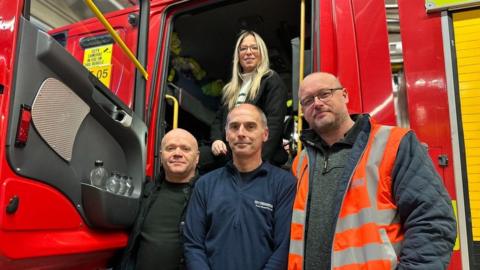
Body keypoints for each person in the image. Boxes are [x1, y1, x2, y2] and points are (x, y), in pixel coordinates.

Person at [288, 72, 457, 270]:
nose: (316, 103)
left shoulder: (394, 143)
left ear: (344, 95)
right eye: (307, 100)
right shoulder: (300, 163)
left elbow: (432, 220)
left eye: (324, 94)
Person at [184, 104, 296, 270]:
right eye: (234, 127)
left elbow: (283, 248)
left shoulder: (284, 184)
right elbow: (193, 244)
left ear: (265, 134)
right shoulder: (205, 184)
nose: (241, 133)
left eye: (250, 126)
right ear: (227, 134)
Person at [115, 128, 200, 270]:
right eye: (170, 148)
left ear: (197, 157)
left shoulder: (207, 195)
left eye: (185, 149)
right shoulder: (145, 191)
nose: (177, 153)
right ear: (161, 156)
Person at [205, 30, 288, 169]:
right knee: (196, 158)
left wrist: (258, 161)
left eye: (254, 47)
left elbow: (274, 123)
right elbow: (218, 120)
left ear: (262, 53)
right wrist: (217, 140)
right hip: (229, 151)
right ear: (238, 55)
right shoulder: (230, 88)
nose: (248, 52)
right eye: (243, 49)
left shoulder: (271, 80)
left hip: (259, 155)